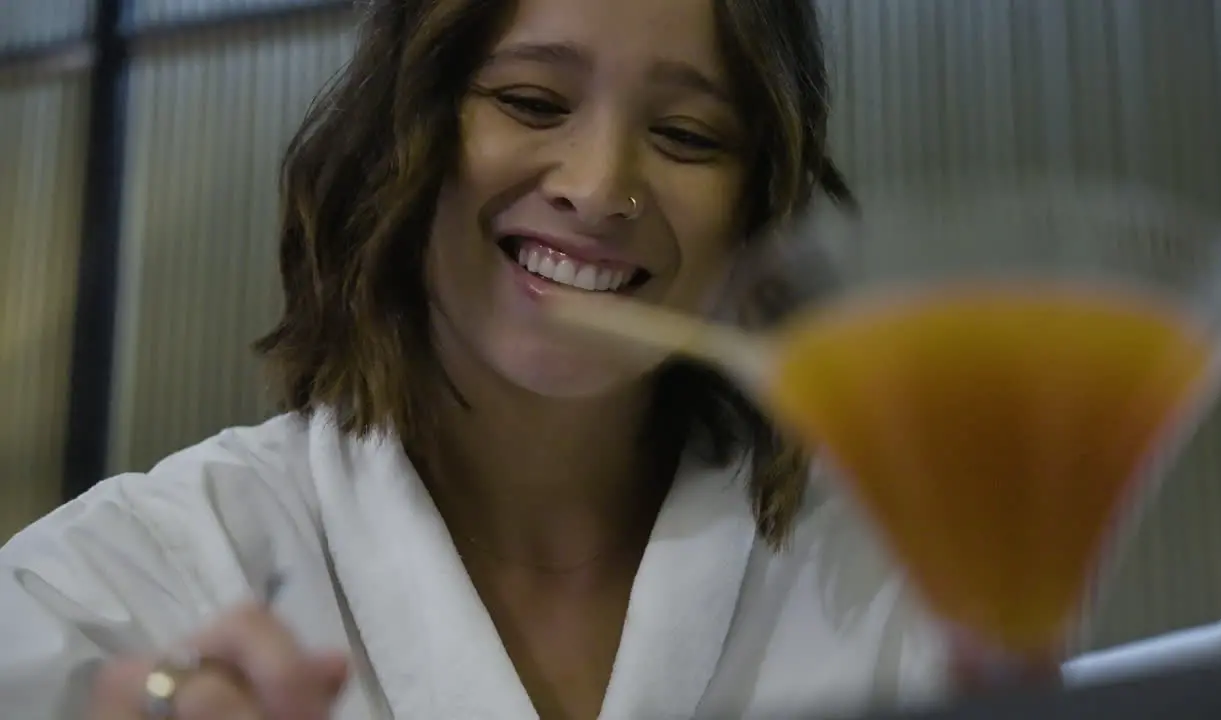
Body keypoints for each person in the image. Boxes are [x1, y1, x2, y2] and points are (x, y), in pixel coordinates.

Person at [0, 0, 1026, 717]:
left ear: (758, 213)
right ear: (401, 140)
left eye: (684, 134)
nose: (598, 186)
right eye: (532, 103)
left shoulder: (896, 586)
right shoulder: (113, 584)